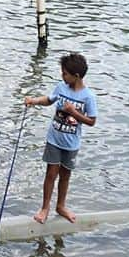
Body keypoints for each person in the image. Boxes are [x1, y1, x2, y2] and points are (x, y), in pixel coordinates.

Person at [23, 52, 97, 224]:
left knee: (65, 176)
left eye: (65, 73)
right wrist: (33, 101)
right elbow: (49, 100)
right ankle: (45, 207)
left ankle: (61, 206)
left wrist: (74, 113)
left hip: (71, 143)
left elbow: (91, 121)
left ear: (76, 76)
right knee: (51, 174)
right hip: (54, 139)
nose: (62, 76)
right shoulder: (61, 87)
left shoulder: (88, 97)